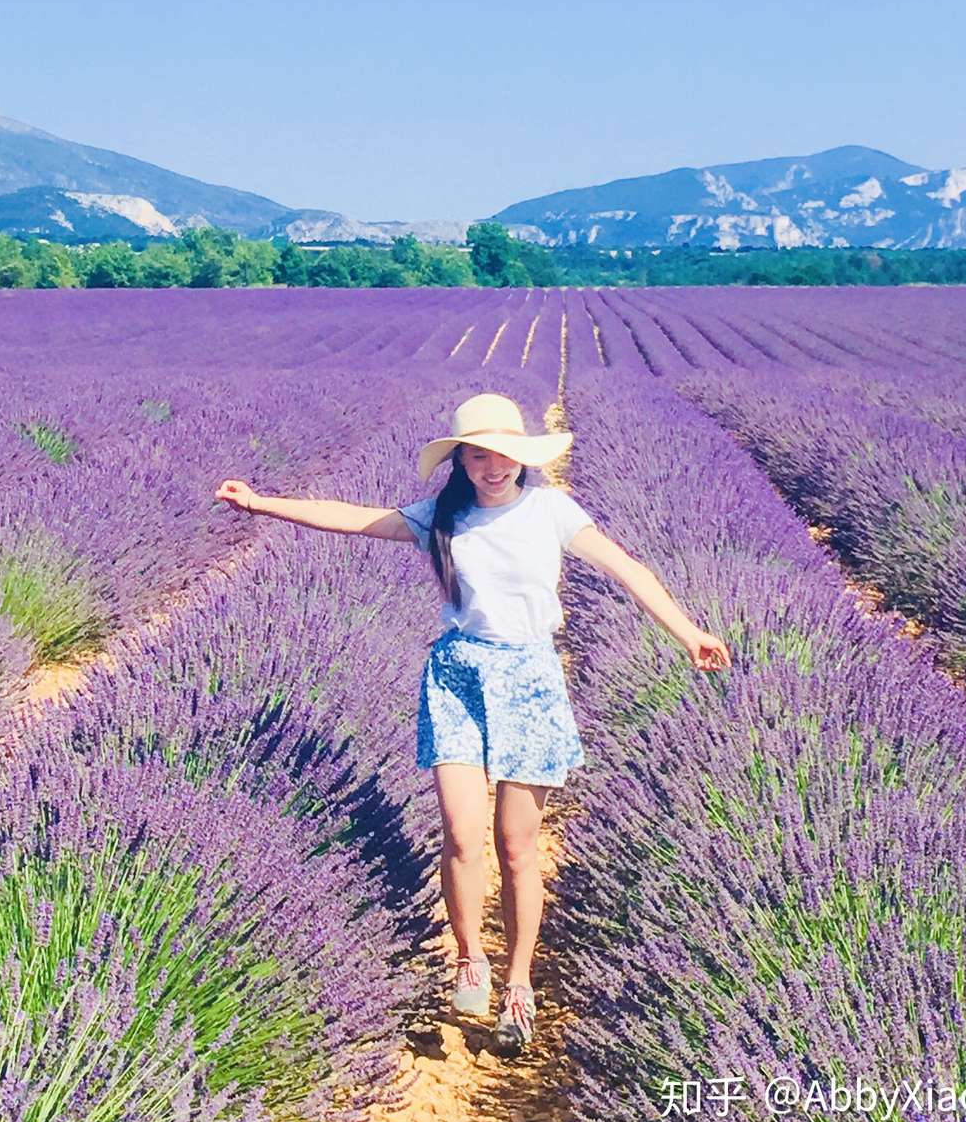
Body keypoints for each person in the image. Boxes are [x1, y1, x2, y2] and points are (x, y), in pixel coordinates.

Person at [215, 390, 730, 1058]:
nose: (492, 467)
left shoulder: (550, 509)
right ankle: (469, 957)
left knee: (517, 848)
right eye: (478, 456)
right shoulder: (442, 517)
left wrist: (689, 633)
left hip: (530, 681)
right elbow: (352, 518)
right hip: (456, 676)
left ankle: (518, 983)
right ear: (459, 461)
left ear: (522, 457)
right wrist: (262, 502)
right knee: (462, 837)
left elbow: (628, 569)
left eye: (502, 455)